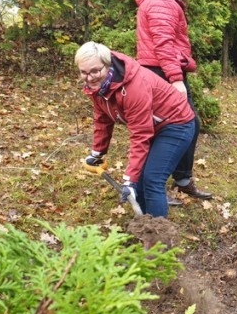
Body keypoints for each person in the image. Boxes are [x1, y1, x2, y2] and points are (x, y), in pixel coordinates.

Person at [77, 41, 196, 219]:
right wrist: (97, 153)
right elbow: (102, 118)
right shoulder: (98, 86)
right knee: (139, 179)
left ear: (107, 65)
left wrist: (129, 179)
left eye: (95, 71)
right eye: (84, 72)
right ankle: (144, 224)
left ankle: (158, 239)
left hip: (176, 123)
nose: (89, 77)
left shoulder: (133, 87)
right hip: (154, 125)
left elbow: (140, 134)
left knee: (152, 179)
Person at [135, 0, 213, 202]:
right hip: (162, 74)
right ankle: (154, 186)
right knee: (171, 130)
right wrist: (176, 79)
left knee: (190, 124)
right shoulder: (162, 3)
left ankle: (182, 178)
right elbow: (163, 44)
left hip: (162, 71)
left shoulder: (163, 0)